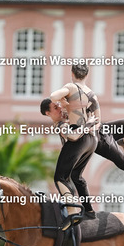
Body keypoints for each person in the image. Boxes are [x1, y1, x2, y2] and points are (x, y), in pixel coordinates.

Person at [41, 99, 124, 212]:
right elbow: (72, 139)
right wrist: (88, 124)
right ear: (48, 113)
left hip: (103, 129)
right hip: (99, 142)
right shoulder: (61, 126)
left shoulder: (69, 110)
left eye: (58, 105)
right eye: (55, 108)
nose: (59, 108)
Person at [48, 64, 102, 229]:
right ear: (87, 75)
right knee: (76, 176)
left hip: (78, 137)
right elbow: (98, 121)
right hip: (92, 140)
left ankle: (72, 212)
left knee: (60, 177)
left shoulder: (71, 87)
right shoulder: (92, 94)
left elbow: (53, 96)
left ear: (72, 73)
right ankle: (89, 211)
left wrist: (62, 101)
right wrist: (88, 127)